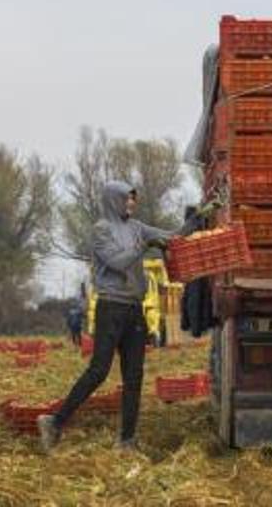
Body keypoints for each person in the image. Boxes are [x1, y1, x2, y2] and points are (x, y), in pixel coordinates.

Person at [39, 181, 214, 453]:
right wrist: (143, 246)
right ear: (114, 200)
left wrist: (197, 218)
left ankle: (127, 441)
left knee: (134, 376)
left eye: (133, 199)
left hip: (134, 309)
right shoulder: (101, 230)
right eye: (127, 198)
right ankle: (55, 421)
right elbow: (118, 262)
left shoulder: (136, 227)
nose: (132, 203)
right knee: (98, 371)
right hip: (111, 308)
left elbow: (172, 237)